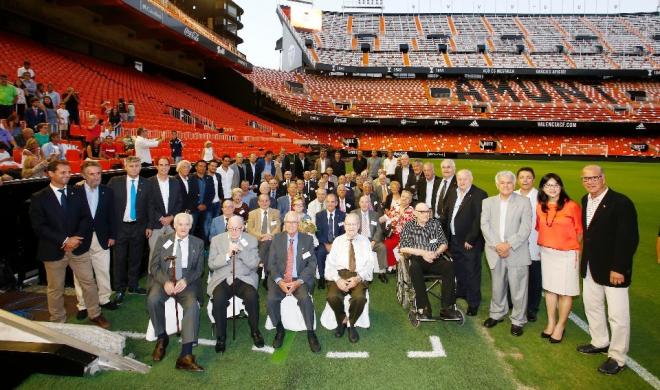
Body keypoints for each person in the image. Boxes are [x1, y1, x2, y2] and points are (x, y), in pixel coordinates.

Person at [29, 160, 110, 328]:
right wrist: (65, 241)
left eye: (68, 172)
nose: (67, 175)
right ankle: (58, 320)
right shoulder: (39, 197)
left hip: (78, 248)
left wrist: (76, 238)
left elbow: (86, 218)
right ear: (50, 174)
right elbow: (39, 226)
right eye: (63, 172)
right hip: (53, 250)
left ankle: (95, 313)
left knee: (88, 282)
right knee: (55, 288)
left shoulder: (77, 192)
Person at [577, 165, 639, 375]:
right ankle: (600, 341)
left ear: (603, 178)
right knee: (592, 306)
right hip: (590, 266)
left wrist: (619, 268)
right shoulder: (586, 200)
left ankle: (618, 357)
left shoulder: (621, 203)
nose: (590, 181)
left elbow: (628, 239)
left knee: (617, 315)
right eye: (586, 178)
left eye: (594, 178)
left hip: (613, 270)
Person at [148, 213, 204, 371]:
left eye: (187, 224)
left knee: (192, 305)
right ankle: (161, 337)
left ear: (191, 226)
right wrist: (165, 281)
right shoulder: (163, 240)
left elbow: (199, 269)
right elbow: (154, 267)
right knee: (153, 299)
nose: (183, 227)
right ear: (174, 225)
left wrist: (185, 280)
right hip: (165, 279)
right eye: (180, 224)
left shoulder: (198, 243)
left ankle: (186, 355)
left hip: (186, 281)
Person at [481, 171, 532, 337]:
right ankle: (496, 313)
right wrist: (498, 245)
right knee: (497, 286)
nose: (506, 185)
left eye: (509, 182)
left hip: (516, 251)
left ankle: (518, 320)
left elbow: (525, 228)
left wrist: (508, 245)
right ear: (497, 185)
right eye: (502, 183)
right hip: (495, 251)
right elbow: (485, 225)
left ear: (514, 184)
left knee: (518, 289)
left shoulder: (524, 202)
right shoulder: (488, 202)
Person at [534, 173, 582, 342]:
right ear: (543, 188)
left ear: (561, 186)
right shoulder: (541, 206)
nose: (552, 188)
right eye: (548, 185)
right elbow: (540, 228)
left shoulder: (572, 206)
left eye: (555, 185)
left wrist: (571, 249)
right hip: (547, 253)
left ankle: (561, 326)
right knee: (550, 289)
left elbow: (580, 232)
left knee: (565, 292)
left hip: (567, 254)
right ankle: (551, 322)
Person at [267, 212, 321, 353]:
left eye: (294, 222)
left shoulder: (307, 240)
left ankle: (311, 333)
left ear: (299, 224)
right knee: (271, 299)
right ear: (284, 224)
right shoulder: (277, 239)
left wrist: (299, 282)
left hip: (299, 279)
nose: (291, 225)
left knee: (305, 299)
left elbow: (312, 264)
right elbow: (271, 264)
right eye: (288, 222)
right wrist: (280, 282)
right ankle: (279, 329)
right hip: (280, 278)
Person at [208, 216, 264, 352]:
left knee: (252, 297)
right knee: (219, 300)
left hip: (244, 278)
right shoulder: (216, 240)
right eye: (231, 228)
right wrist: (227, 255)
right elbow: (211, 264)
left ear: (243, 227)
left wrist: (241, 251)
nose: (234, 231)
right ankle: (221, 337)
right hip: (223, 278)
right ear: (227, 226)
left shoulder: (250, 240)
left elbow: (254, 265)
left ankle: (255, 331)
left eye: (238, 228)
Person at [73, 161, 119, 319]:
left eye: (98, 173)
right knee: (80, 275)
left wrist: (113, 235)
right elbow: (70, 219)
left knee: (103, 270)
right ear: (83, 175)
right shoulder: (74, 192)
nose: (96, 177)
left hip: (102, 237)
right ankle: (83, 304)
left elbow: (113, 215)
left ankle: (104, 298)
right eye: (91, 174)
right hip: (80, 239)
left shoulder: (108, 191)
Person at [399, 202, 459, 320]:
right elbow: (403, 247)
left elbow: (444, 243)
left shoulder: (435, 224)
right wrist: (423, 253)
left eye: (428, 211)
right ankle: (424, 307)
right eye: (423, 212)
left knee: (449, 265)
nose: (426, 214)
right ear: (415, 213)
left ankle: (447, 308)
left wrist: (435, 253)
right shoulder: (408, 226)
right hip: (417, 259)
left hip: (434, 258)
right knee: (414, 268)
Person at [441, 169, 488, 316]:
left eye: (465, 179)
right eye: (459, 179)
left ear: (471, 179)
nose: (462, 181)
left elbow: (479, 219)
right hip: (454, 239)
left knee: (472, 271)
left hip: (469, 242)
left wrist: (471, 238)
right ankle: (461, 292)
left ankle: (473, 302)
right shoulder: (453, 192)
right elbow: (447, 213)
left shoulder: (479, 194)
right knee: (458, 267)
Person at [108, 156, 151, 301]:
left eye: (137, 166)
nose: (134, 168)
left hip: (138, 227)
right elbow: (105, 200)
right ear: (125, 166)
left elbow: (150, 206)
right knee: (119, 260)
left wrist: (149, 225)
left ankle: (133, 285)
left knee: (136, 258)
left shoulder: (146, 183)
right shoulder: (115, 182)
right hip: (120, 228)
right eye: (131, 166)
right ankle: (119, 289)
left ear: (140, 167)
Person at [325, 213, 373, 342]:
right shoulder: (338, 241)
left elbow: (370, 264)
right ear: (344, 225)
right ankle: (342, 320)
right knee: (332, 297)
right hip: (340, 274)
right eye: (348, 224)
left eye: (354, 224)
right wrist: (337, 279)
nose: (351, 227)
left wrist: (358, 278)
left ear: (358, 226)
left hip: (358, 274)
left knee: (360, 298)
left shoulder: (365, 241)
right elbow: (330, 263)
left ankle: (352, 323)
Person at [515, 167, 542, 322]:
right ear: (518, 179)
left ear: (533, 179)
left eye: (528, 177)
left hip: (534, 242)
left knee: (534, 278)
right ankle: (514, 303)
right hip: (515, 243)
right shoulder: (513, 195)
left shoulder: (540, 197)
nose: (525, 180)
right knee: (515, 275)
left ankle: (532, 308)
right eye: (522, 177)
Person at [147, 157, 183, 258]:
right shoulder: (149, 182)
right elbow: (148, 204)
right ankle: (153, 273)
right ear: (156, 166)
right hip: (156, 223)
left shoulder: (175, 182)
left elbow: (179, 202)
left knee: (171, 250)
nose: (164, 167)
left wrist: (171, 217)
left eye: (166, 165)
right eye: (161, 165)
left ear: (169, 166)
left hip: (171, 224)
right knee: (155, 252)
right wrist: (161, 218)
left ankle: (167, 273)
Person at [352, 195, 388, 283]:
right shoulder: (354, 213)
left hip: (372, 239)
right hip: (359, 240)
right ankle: (363, 273)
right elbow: (352, 229)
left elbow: (379, 230)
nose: (364, 204)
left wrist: (374, 241)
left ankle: (382, 272)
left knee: (382, 247)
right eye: (362, 202)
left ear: (369, 203)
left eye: (366, 202)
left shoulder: (375, 214)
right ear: (359, 203)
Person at [315, 193, 345, 289]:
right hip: (324, 243)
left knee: (343, 252)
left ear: (336, 203)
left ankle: (340, 276)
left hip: (338, 243)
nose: (330, 204)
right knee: (320, 252)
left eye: (332, 202)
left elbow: (343, 232)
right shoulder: (319, 215)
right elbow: (318, 232)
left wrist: (334, 244)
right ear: (325, 203)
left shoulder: (342, 215)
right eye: (328, 201)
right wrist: (326, 244)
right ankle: (322, 278)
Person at [381, 189, 415, 273]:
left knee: (402, 249)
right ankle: (393, 264)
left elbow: (412, 227)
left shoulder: (412, 211)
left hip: (405, 235)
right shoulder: (395, 206)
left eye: (407, 198)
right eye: (403, 196)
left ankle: (395, 267)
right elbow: (386, 216)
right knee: (385, 246)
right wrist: (374, 220)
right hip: (393, 233)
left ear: (410, 201)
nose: (404, 199)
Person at [247, 194, 281, 275]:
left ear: (269, 202)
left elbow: (278, 227)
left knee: (268, 243)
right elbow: (250, 229)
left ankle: (259, 266)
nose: (264, 203)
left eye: (266, 201)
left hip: (271, 238)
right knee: (268, 245)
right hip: (257, 239)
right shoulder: (252, 213)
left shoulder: (276, 212)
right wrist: (262, 236)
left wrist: (270, 236)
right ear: (258, 202)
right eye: (262, 201)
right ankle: (267, 273)